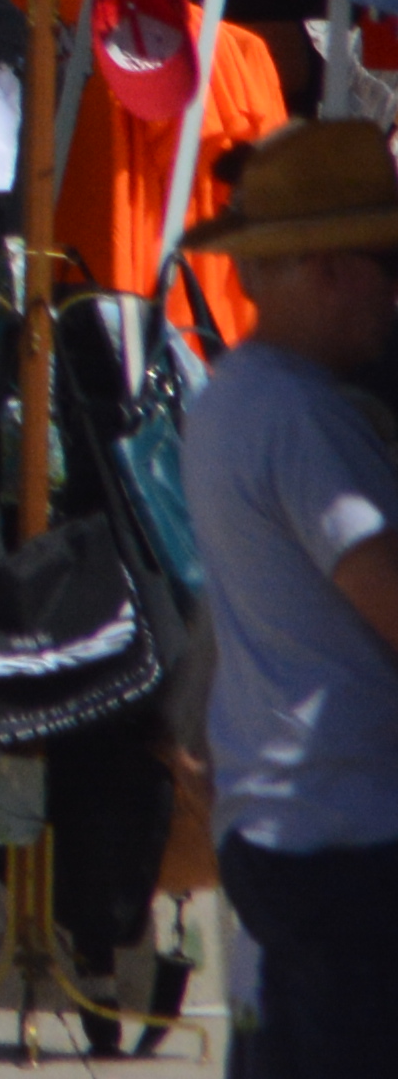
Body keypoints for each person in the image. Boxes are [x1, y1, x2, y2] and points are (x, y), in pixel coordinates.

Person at [183, 117, 398, 1054]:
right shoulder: (298, 415)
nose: (394, 295)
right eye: (384, 266)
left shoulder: (239, 392)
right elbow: (385, 590)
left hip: (292, 818)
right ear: (330, 270)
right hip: (341, 831)